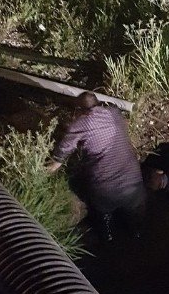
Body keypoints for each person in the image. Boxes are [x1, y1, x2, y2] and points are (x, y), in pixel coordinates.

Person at [47, 92, 146, 242]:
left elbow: (64, 149)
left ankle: (108, 238)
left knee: (103, 213)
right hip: (133, 183)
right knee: (134, 215)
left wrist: (53, 166)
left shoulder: (82, 123)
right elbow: (116, 109)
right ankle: (137, 234)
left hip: (106, 188)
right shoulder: (114, 113)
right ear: (98, 103)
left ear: (80, 110)